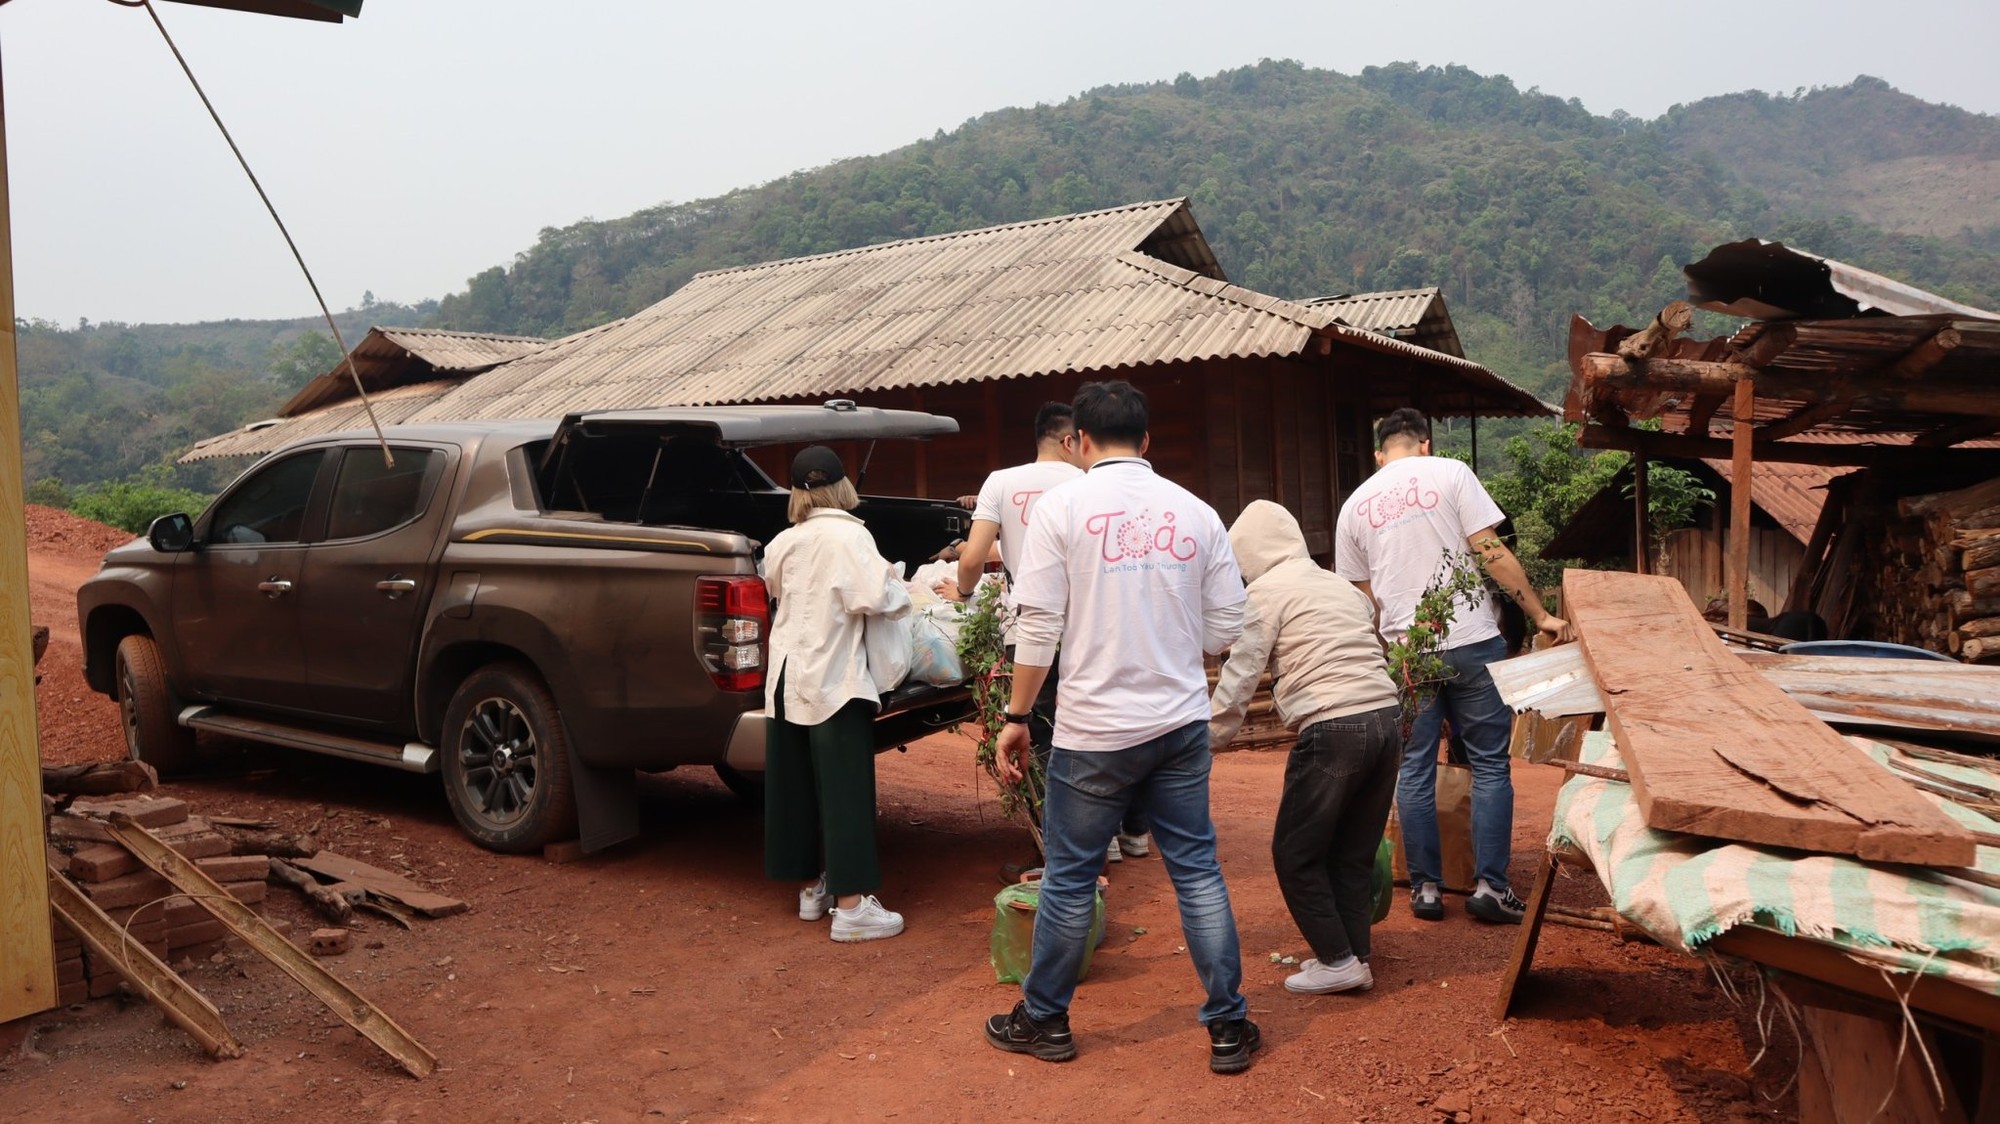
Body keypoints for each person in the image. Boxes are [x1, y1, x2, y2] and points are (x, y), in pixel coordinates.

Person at [981, 380, 1260, 1074]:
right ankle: (1228, 1026)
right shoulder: (1195, 512)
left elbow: (1038, 622)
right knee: (1196, 870)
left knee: (1072, 878)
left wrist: (1017, 717)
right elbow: (1228, 625)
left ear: (1079, 442)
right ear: (1146, 441)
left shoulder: (1061, 508)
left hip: (1092, 731)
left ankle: (1046, 1022)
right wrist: (1169, 639)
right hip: (1178, 723)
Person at [1334, 409, 1573, 927]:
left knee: (1414, 765)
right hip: (1471, 641)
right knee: (1489, 762)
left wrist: (1387, 651)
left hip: (1408, 653)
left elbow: (1362, 599)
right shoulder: (1451, 473)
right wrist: (1539, 613)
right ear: (1424, 444)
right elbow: (1490, 549)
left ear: (1380, 454)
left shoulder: (1353, 506)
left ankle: (1424, 888)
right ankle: (1491, 886)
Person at [940, 404, 1150, 862]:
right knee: (1110, 726)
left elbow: (973, 559)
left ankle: (1079, 841)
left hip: (1030, 628)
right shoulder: (1091, 484)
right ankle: (1129, 831)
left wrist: (962, 589)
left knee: (1042, 733)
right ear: (1070, 441)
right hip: (1095, 628)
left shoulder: (1000, 481)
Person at [1211, 500, 1402, 995]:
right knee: (1352, 851)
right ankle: (1354, 954)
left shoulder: (1264, 594)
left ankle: (1337, 960)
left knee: (1295, 852)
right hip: (1385, 718)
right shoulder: (1341, 586)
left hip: (1333, 728)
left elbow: (1241, 674)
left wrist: (1205, 739)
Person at [761, 446, 911, 943]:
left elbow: (774, 587)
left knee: (794, 786)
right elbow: (872, 598)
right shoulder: (853, 535)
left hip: (786, 675)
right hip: (834, 677)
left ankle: (812, 891)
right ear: (843, 487)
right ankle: (851, 910)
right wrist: (898, 585)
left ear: (799, 491)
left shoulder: (783, 540)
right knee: (845, 789)